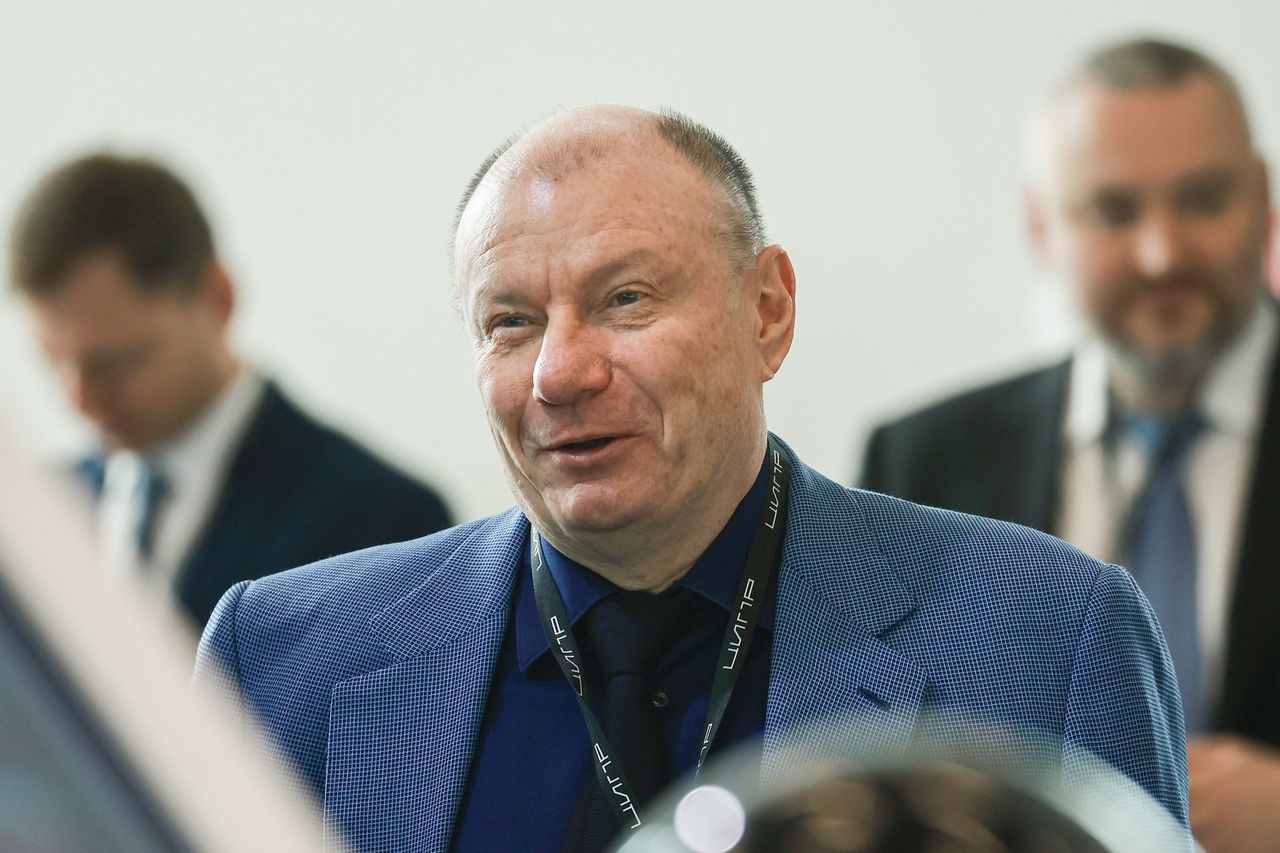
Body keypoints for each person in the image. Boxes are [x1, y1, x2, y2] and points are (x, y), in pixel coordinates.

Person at [196, 105, 1187, 853]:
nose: (559, 373)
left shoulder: (1046, 639)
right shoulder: (280, 663)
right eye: (510, 321)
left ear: (767, 313)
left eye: (625, 299)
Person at [858, 37, 1276, 852]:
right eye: (1114, 211)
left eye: (1203, 200)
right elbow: (871, 752)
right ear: (1042, 227)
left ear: (1264, 198)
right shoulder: (920, 462)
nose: (1162, 253)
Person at [9, 153, 453, 629]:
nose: (79, 399)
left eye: (117, 363)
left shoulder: (384, 520)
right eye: (54, 361)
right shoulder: (36, 515)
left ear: (218, 298)